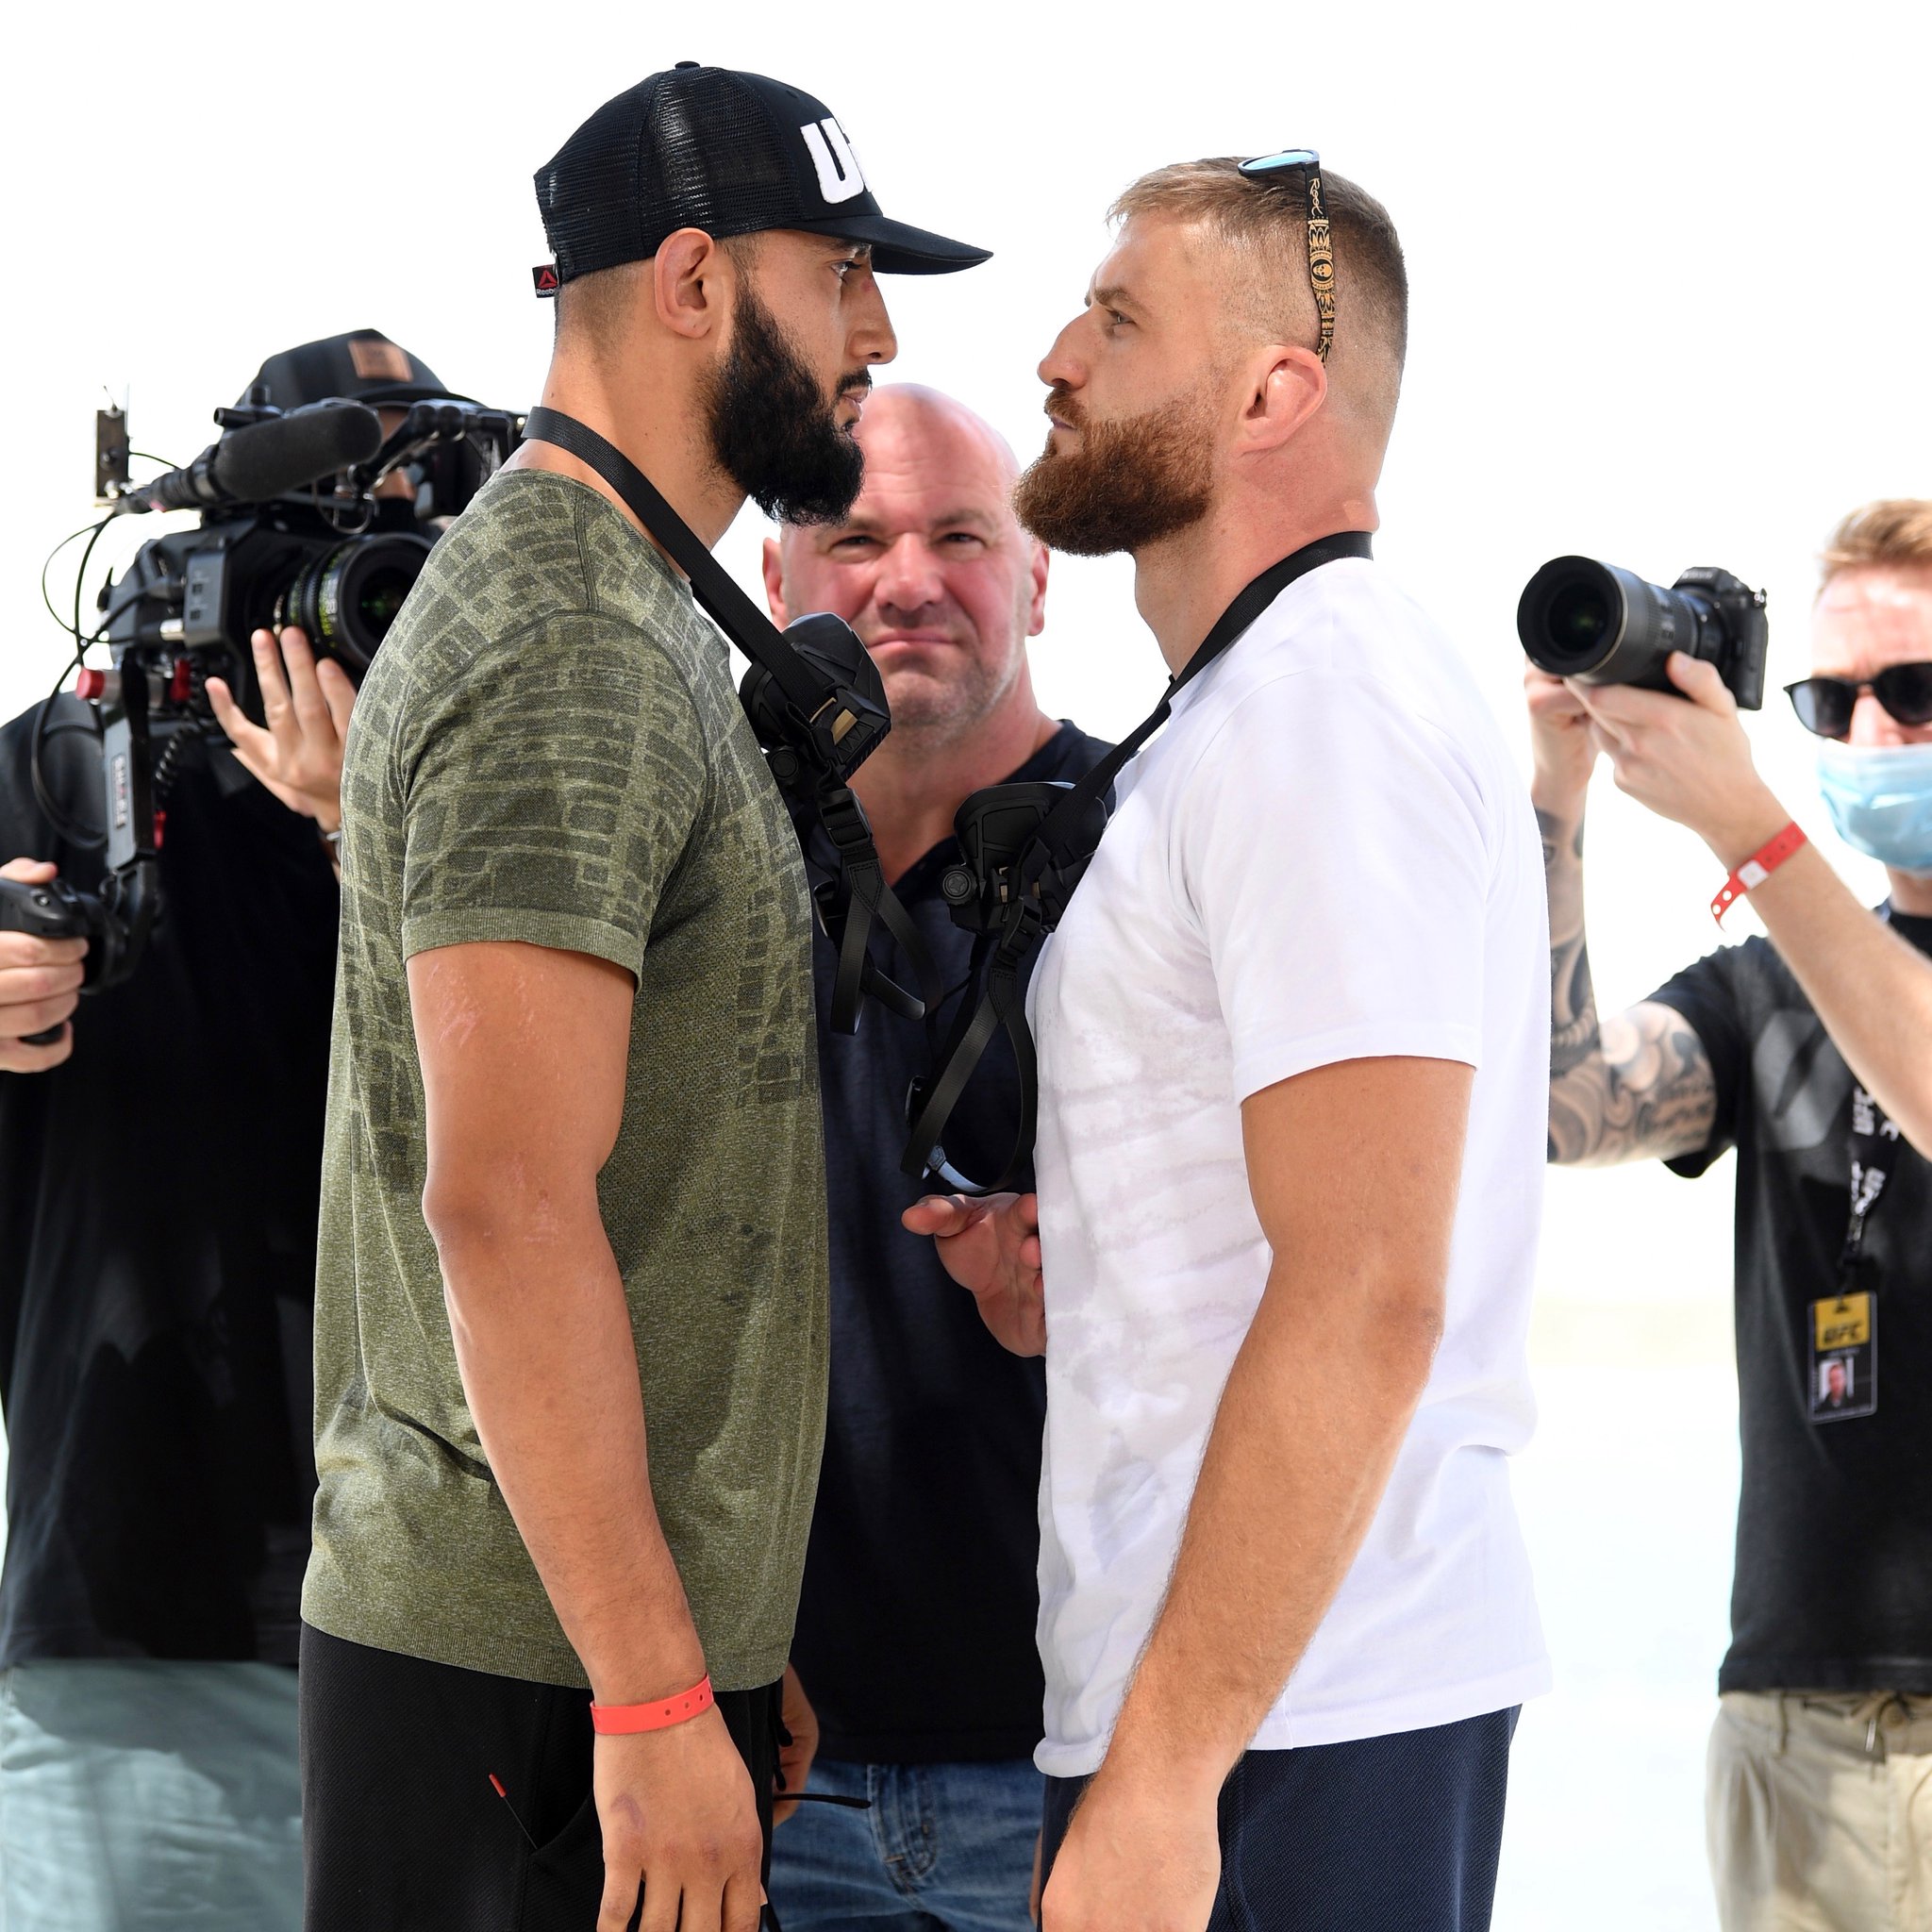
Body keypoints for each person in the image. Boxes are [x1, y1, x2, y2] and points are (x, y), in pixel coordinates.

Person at [297, 66, 987, 1932]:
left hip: (586, 1653)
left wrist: (709, 1642)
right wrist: (655, 1684)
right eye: (839, 274)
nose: (879, 331)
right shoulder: (569, 638)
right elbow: (502, 1202)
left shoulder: (639, 610)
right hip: (522, 1674)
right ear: (691, 281)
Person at [910, 153, 1550, 1931]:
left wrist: (1171, 1777)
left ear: (1277, 390)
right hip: (1227, 1705)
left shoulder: (1324, 716)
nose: (1054, 354)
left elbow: (1368, 1290)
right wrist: (1072, 1274)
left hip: (1299, 1723)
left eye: (1118, 321)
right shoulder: (1238, 718)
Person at [0, 328, 444, 1930]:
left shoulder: (503, 815)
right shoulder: (62, 781)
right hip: (150, 1632)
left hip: (460, 1640)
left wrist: (364, 831)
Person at [1532, 498, 1932, 1932]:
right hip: (1795, 1727)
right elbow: (1561, 1104)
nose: (1875, 735)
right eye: (1836, 700)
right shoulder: (1772, 990)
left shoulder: (1792, 909)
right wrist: (1555, 799)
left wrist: (1747, 823)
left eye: (1918, 692)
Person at [758, 384, 1108, 1931]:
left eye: (962, 535)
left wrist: (1086, 1277)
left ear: (1038, 573)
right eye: (854, 539)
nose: (908, 580)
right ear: (777, 588)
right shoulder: (708, 867)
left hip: (1088, 1766)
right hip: (767, 1763)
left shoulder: (1150, 839)